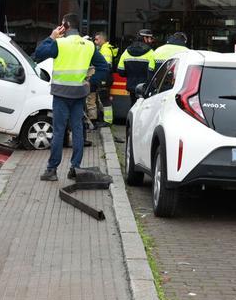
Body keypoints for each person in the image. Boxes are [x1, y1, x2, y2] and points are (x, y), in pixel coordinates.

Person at [33, 13, 110, 181]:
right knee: (77, 130)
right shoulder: (89, 45)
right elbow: (104, 67)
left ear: (65, 25)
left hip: (61, 94)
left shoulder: (59, 43)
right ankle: (75, 168)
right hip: (79, 94)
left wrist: (51, 37)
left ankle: (52, 170)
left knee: (59, 131)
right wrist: (91, 83)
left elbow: (38, 54)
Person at [89, 32, 118, 129]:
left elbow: (106, 66)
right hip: (105, 77)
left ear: (102, 39)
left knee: (105, 99)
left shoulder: (105, 50)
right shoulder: (105, 48)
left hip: (104, 77)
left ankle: (107, 121)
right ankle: (105, 119)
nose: (95, 42)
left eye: (97, 39)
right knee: (103, 99)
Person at [117, 30, 157, 98]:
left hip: (132, 88)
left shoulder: (126, 51)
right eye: (150, 38)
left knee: (133, 106)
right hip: (145, 88)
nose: (151, 41)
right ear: (145, 38)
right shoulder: (151, 52)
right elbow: (152, 73)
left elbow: (121, 72)